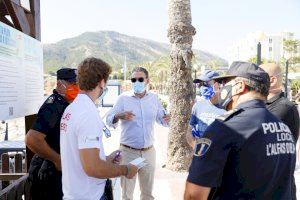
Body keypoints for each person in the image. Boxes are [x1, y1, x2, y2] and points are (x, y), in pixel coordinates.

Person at [184, 61, 296, 200]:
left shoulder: (224, 128)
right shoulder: (283, 128)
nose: (222, 88)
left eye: (226, 83)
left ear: (240, 86)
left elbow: (194, 194)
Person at [60, 57, 138, 200]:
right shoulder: (88, 113)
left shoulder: (72, 108)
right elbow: (93, 168)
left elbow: (83, 158)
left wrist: (106, 159)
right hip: (88, 196)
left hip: (75, 193)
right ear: (102, 82)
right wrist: (126, 170)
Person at [106, 67, 169, 200]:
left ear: (147, 80)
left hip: (149, 152)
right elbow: (109, 119)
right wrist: (118, 115)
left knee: (147, 194)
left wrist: (168, 118)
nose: (137, 82)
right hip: (128, 152)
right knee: (127, 194)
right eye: (133, 79)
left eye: (140, 79)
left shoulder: (154, 98)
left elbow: (162, 120)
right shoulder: (123, 98)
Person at [26, 68, 79, 200]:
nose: (77, 87)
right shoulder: (53, 105)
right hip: (47, 172)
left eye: (78, 84)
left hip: (57, 171)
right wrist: (57, 159)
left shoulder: (66, 103)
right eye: (73, 84)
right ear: (60, 85)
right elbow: (32, 139)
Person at [260, 63, 300, 200]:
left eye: (258, 77)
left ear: (272, 80)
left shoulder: (284, 107)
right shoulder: (264, 105)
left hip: (279, 189)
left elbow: (255, 128)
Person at [186, 70, 226, 148]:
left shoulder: (227, 107)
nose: (202, 87)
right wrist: (195, 147)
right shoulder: (198, 106)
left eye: (205, 83)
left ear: (218, 84)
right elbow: (189, 130)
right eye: (200, 84)